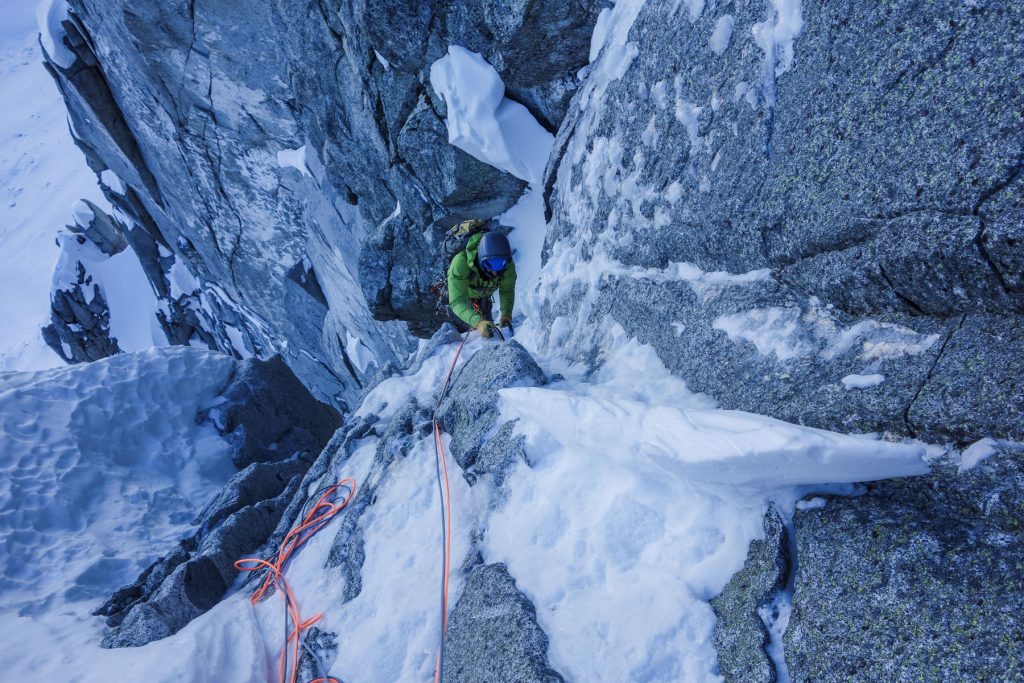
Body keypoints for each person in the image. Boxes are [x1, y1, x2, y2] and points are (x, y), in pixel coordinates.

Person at [447, 229, 516, 337]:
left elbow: (506, 289)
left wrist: (506, 314)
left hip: (484, 293)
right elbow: (457, 301)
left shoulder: (507, 264)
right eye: (491, 265)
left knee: (488, 327)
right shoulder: (460, 263)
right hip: (462, 293)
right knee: (466, 331)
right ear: (480, 258)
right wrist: (477, 322)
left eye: (500, 264)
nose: (495, 271)